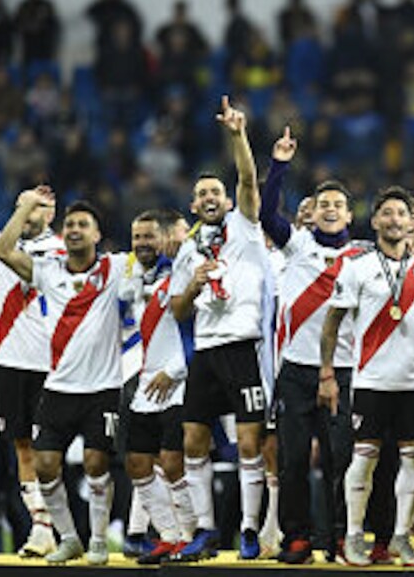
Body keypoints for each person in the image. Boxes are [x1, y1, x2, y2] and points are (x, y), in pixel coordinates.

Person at [0, 191, 128, 565]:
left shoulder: (114, 268)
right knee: (43, 461)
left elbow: (147, 265)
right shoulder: (47, 269)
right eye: (71, 225)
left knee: (96, 463)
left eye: (83, 225)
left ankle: (98, 538)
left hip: (96, 385)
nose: (75, 230)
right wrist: (23, 206)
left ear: (98, 234)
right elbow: (3, 251)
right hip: (52, 382)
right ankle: (62, 535)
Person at [319, 187, 414, 566]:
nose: (395, 220)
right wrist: (327, 372)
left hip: (413, 380)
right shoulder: (356, 266)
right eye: (387, 213)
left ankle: (400, 539)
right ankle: (355, 536)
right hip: (371, 379)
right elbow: (332, 324)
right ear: (374, 221)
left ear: (412, 222)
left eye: (401, 214)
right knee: (364, 459)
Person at [258, 126, 369, 564]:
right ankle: (298, 538)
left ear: (349, 215)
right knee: (292, 462)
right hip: (296, 371)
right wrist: (280, 165)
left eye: (338, 205)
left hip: (343, 372)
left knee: (343, 462)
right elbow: (266, 214)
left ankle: (341, 537)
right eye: (324, 204)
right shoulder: (296, 244)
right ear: (313, 212)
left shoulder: (364, 254)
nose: (330, 210)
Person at [168, 98, 270, 562]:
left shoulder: (244, 226)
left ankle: (248, 528)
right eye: (202, 194)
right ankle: (206, 529)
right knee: (194, 439)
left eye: (216, 192)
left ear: (227, 201)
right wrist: (191, 286)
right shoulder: (187, 251)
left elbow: (249, 177)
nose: (210, 198)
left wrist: (237, 135)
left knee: (249, 442)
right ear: (193, 205)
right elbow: (177, 312)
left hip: (243, 347)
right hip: (206, 353)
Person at [0, 193, 63, 558]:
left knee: (50, 452)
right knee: (22, 448)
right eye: (21, 205)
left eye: (37, 207)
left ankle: (62, 525)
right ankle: (41, 526)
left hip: (52, 364)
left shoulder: (63, 250)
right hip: (10, 363)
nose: (28, 212)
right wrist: (23, 207)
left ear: (53, 213)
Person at [119, 211, 197, 564]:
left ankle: (190, 536)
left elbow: (198, 329)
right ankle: (167, 536)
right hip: (146, 384)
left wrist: (177, 371)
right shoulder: (135, 278)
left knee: (172, 462)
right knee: (136, 463)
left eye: (149, 237)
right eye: (136, 238)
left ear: (165, 238)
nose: (142, 244)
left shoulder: (181, 272)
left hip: (178, 383)